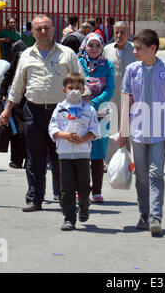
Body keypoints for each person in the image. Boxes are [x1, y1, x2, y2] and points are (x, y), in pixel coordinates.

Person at [0, 15, 82, 212]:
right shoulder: (26, 54)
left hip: (62, 114)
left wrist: (83, 111)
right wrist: (7, 109)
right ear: (33, 32)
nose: (43, 32)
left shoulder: (67, 54)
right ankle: (35, 199)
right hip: (34, 113)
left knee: (60, 158)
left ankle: (64, 198)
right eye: (39, 29)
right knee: (34, 158)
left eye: (46, 28)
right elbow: (18, 86)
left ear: (53, 30)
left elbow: (80, 83)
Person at [116, 29, 165, 237]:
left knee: (156, 174)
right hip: (137, 132)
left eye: (139, 48)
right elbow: (127, 101)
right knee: (141, 176)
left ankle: (155, 218)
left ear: (152, 48)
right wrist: (123, 131)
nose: (134, 51)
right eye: (134, 48)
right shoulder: (132, 70)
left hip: (160, 133)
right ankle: (144, 213)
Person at [49, 73, 100, 230]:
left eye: (78, 87)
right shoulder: (59, 108)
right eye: (71, 88)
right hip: (64, 154)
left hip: (82, 154)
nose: (74, 91)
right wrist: (64, 135)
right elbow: (53, 128)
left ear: (83, 89)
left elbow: (94, 130)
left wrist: (83, 139)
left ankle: (84, 206)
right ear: (64, 90)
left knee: (84, 186)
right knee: (67, 188)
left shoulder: (89, 109)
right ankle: (69, 218)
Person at [78, 32, 115, 203]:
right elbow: (73, 84)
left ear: (102, 47)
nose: (94, 49)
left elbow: (110, 89)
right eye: (90, 45)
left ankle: (97, 190)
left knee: (98, 153)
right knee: (82, 152)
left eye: (97, 45)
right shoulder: (78, 63)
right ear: (85, 45)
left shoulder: (107, 65)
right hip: (80, 113)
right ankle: (81, 188)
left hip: (101, 113)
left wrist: (93, 103)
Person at [103, 21, 136, 165]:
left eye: (122, 32)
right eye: (116, 32)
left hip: (132, 97)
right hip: (112, 96)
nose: (119, 35)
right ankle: (110, 162)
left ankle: (127, 161)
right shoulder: (107, 50)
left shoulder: (136, 50)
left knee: (130, 130)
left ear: (128, 34)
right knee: (112, 129)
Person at [0, 39, 28, 169]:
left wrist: (3, 91)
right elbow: (9, 73)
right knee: (21, 129)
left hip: (29, 97)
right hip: (22, 97)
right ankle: (22, 159)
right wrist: (3, 92)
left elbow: (9, 73)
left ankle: (20, 159)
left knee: (22, 130)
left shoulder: (23, 55)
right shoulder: (23, 55)